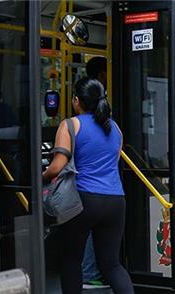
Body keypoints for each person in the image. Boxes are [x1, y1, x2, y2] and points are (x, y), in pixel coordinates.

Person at [43, 78, 134, 294]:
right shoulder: (115, 129)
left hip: (83, 200)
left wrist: (41, 176)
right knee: (111, 264)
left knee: (71, 260)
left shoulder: (70, 125)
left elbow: (57, 167)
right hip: (115, 201)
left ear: (76, 100)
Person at [80, 56, 109, 289]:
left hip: (87, 187)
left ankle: (90, 271)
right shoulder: (111, 125)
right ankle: (91, 272)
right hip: (109, 189)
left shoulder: (72, 126)